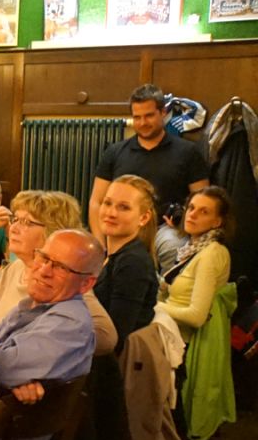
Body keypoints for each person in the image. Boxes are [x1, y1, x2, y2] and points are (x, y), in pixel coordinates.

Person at [0, 229, 104, 440]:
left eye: (60, 267)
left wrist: (4, 367)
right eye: (43, 258)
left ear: (86, 283)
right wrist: (12, 374)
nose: (44, 270)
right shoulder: (32, 305)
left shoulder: (69, 324)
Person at [0, 190, 117, 355]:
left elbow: (107, 337)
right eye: (15, 219)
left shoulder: (63, 283)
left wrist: (35, 344)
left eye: (26, 222)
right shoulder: (15, 268)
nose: (13, 228)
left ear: (53, 231)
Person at [90, 84, 210, 271]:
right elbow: (96, 201)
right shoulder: (114, 152)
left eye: (149, 116)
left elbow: (203, 200)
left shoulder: (188, 152)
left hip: (165, 229)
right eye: (137, 117)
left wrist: (183, 222)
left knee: (173, 246)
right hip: (123, 225)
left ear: (163, 113)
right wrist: (100, 245)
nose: (142, 122)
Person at [156, 187, 232, 342]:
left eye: (204, 212)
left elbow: (196, 316)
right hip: (169, 333)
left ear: (217, 222)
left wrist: (154, 306)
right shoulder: (193, 248)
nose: (192, 214)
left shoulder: (211, 254)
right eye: (191, 208)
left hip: (182, 343)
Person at [94, 175, 160, 352]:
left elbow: (115, 337)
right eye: (107, 203)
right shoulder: (112, 256)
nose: (111, 213)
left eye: (124, 207)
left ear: (143, 218)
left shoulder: (133, 263)